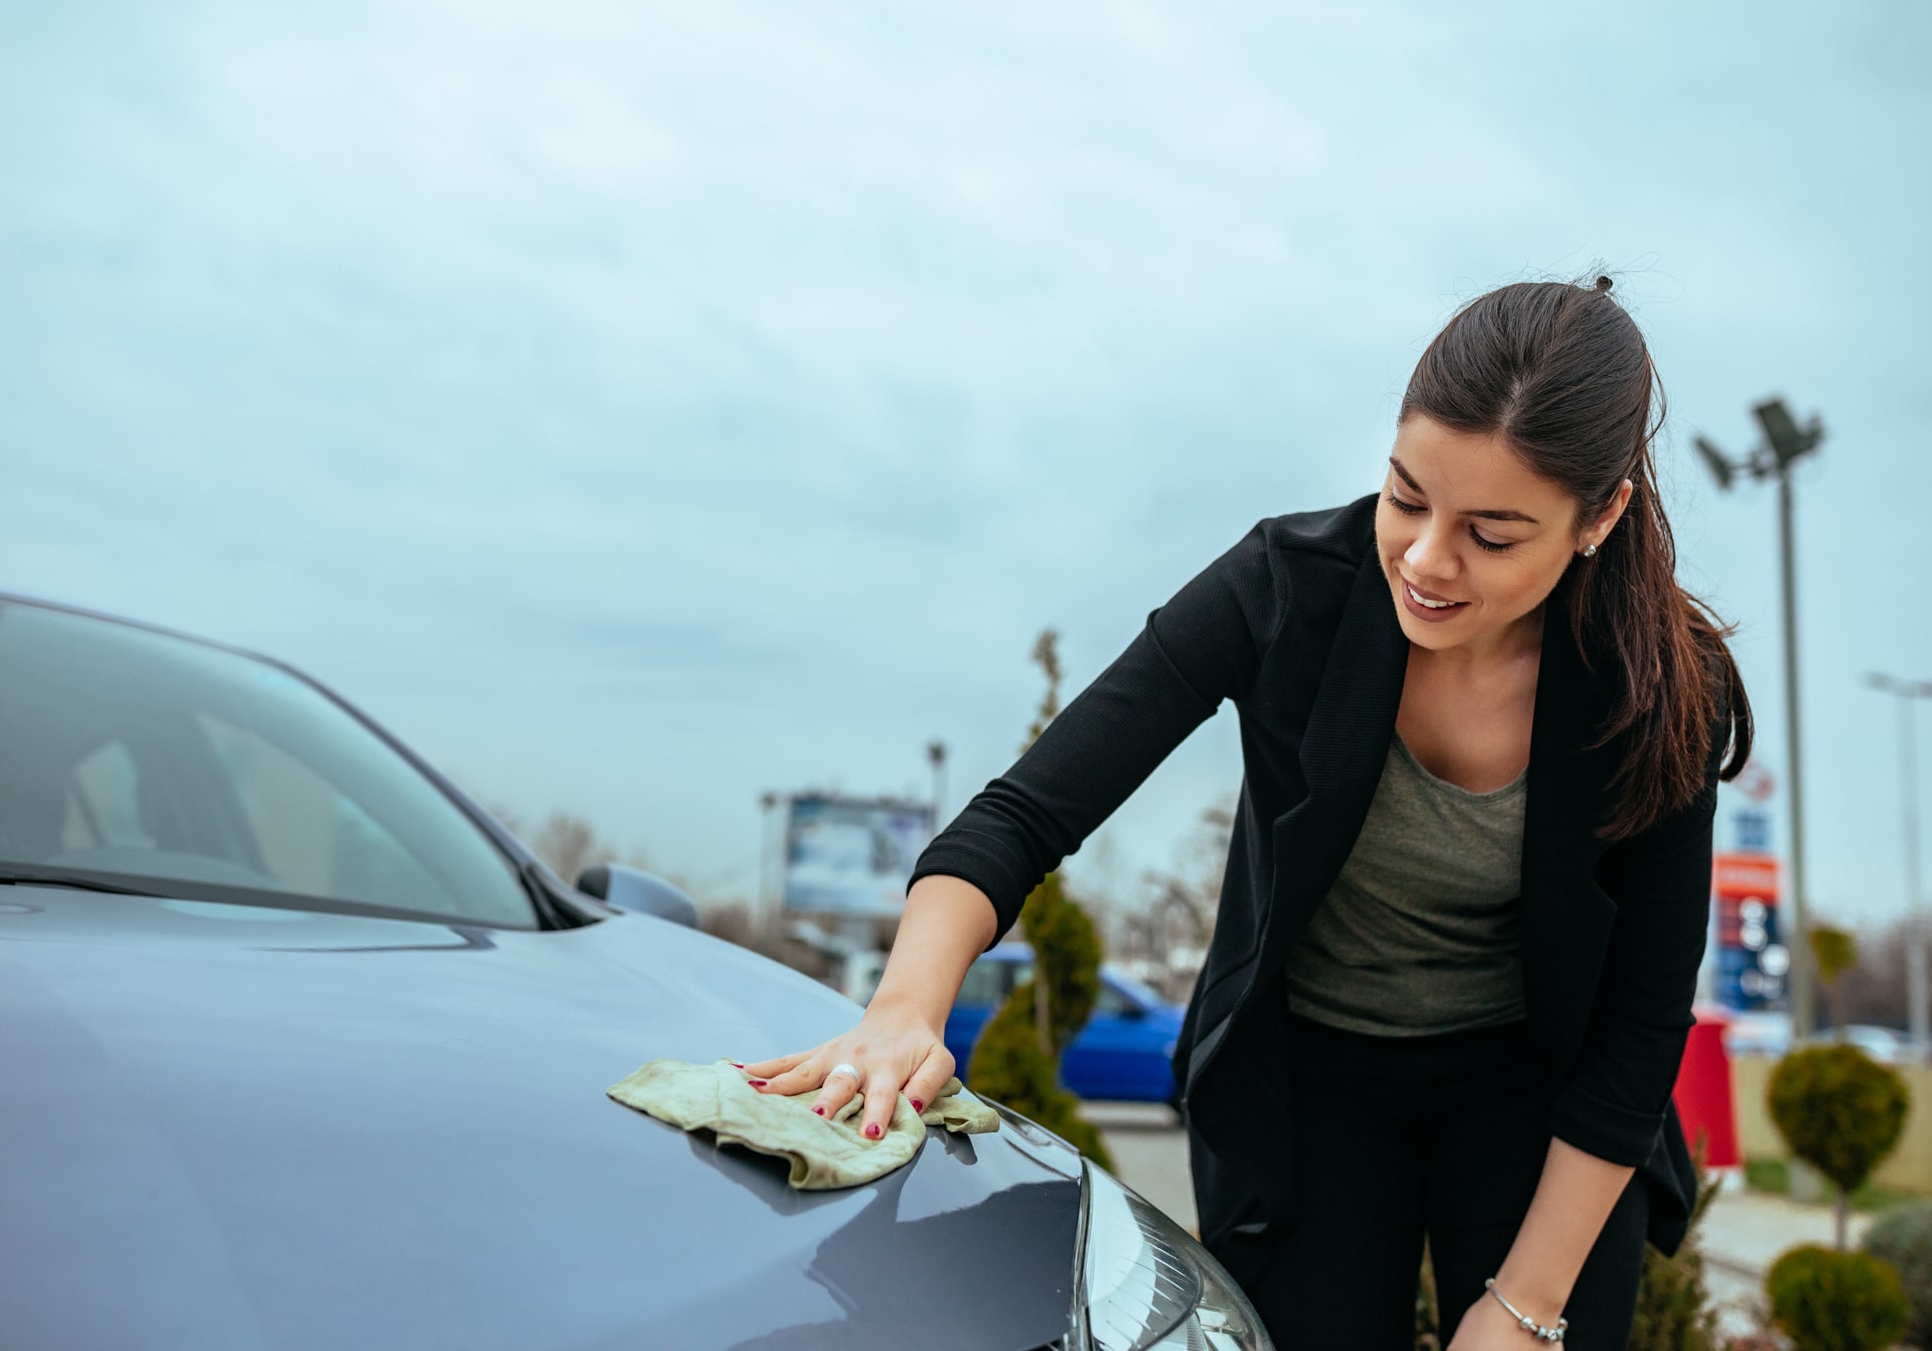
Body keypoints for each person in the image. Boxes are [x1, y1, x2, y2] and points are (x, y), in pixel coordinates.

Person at [740, 276, 1751, 1349]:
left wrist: (1524, 1306)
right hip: (1309, 1081)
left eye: (1492, 536)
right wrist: (904, 1007)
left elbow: (1641, 1027)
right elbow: (1025, 812)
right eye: (1407, 495)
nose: (1423, 559)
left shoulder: (1662, 688)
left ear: (1600, 519)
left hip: (1540, 1096)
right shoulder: (1286, 587)